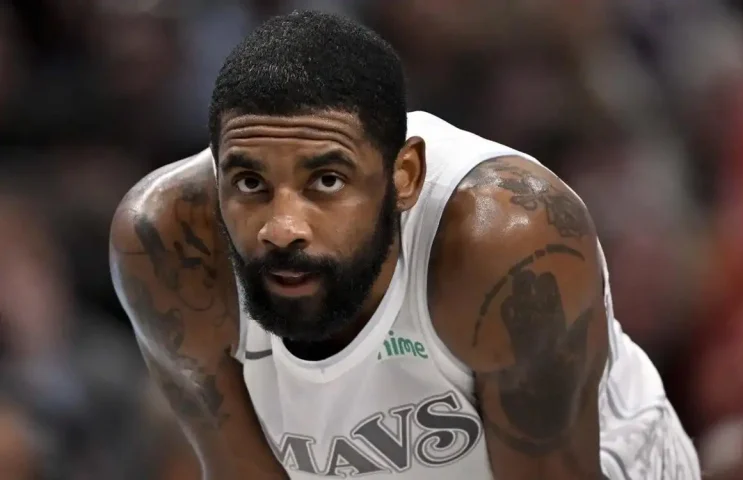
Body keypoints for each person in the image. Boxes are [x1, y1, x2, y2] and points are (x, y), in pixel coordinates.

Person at [109, 10, 700, 480]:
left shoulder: (506, 242)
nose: (282, 227)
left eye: (326, 181)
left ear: (405, 176)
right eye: (249, 184)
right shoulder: (165, 243)